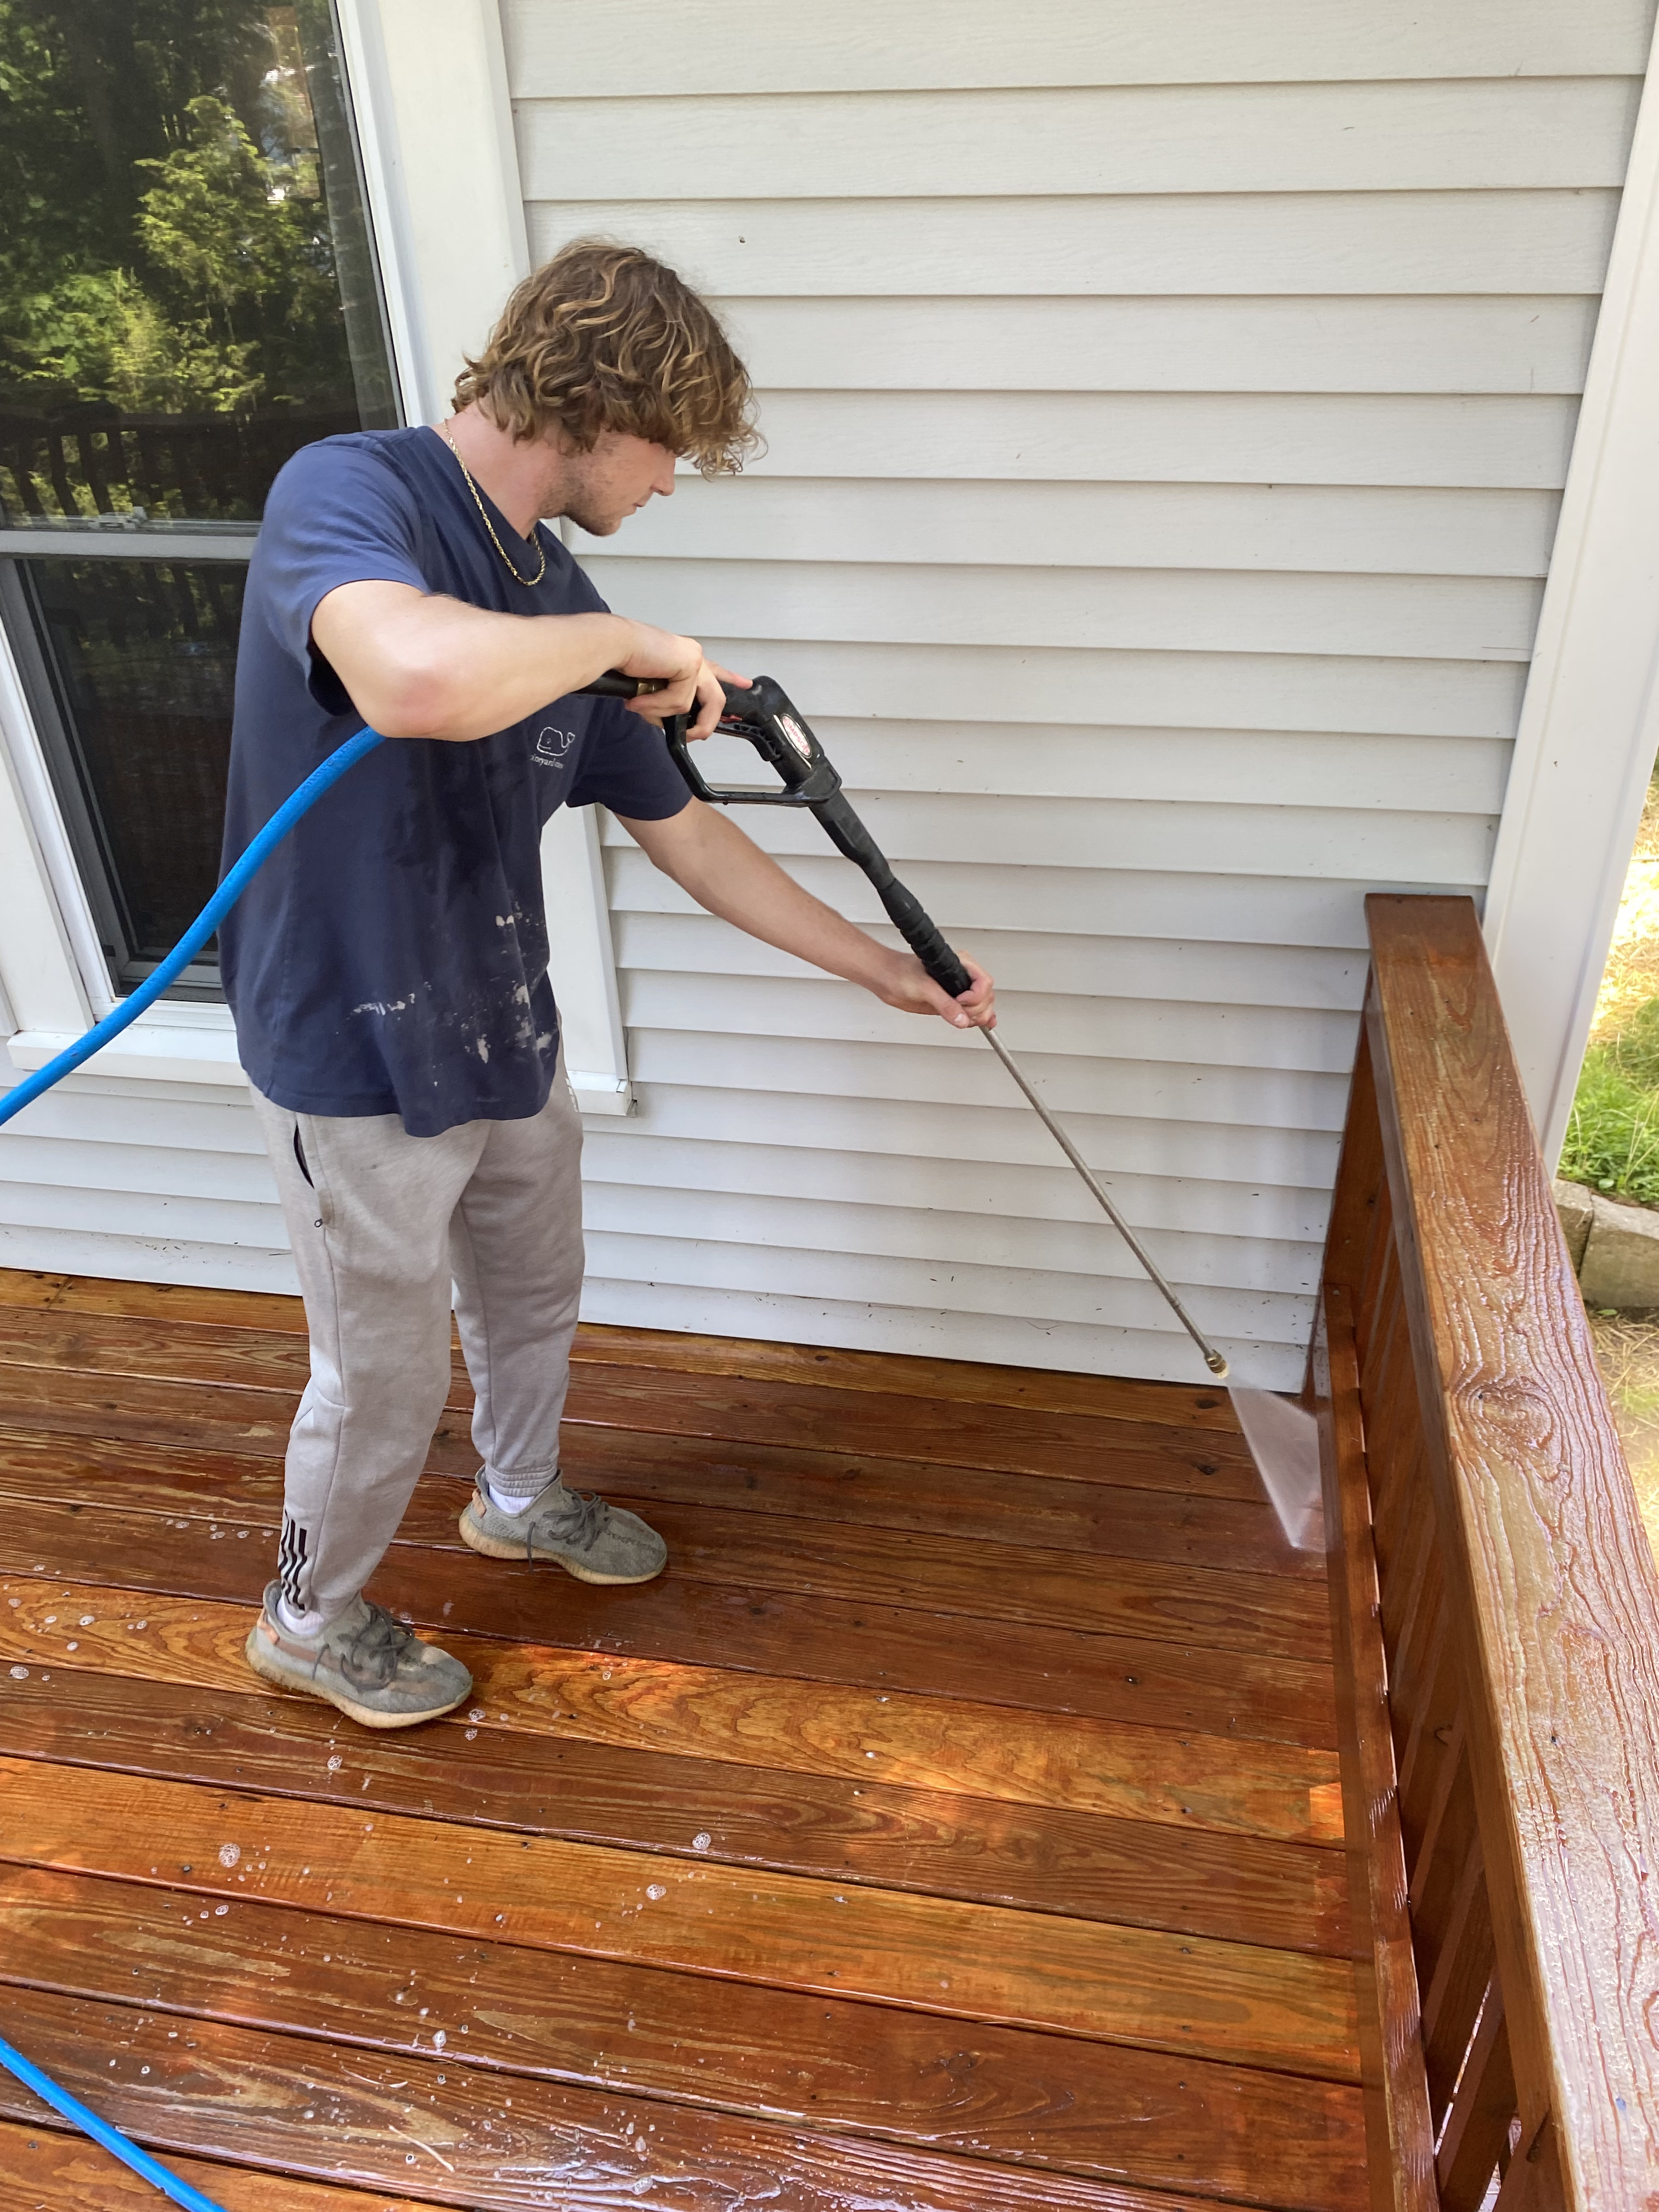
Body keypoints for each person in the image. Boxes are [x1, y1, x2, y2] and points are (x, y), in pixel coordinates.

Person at [221, 237, 996, 1729]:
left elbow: (689, 835)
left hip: (500, 1025)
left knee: (533, 1296)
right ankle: (307, 1620)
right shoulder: (353, 492)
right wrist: (627, 637)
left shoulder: (558, 593)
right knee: (377, 1377)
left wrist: (880, 971)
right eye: (670, 451)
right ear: (591, 403)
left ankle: (517, 1497)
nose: (668, 484)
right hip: (351, 1051)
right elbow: (415, 682)